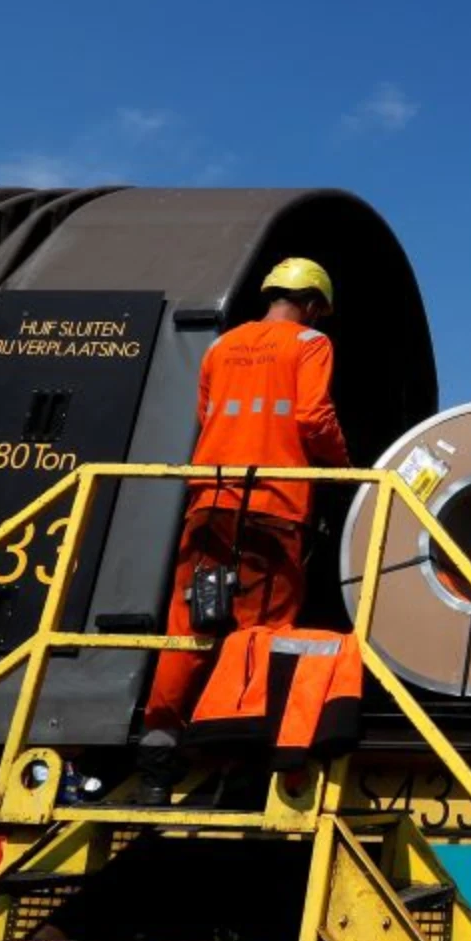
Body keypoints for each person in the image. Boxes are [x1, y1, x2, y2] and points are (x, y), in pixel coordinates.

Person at [136, 258, 350, 803]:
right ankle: (239, 764)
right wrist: (345, 467)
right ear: (313, 305)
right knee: (260, 634)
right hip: (274, 507)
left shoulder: (220, 347)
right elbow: (312, 417)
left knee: (190, 625)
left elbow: (209, 418)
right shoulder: (308, 344)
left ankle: (158, 760)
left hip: (209, 499)